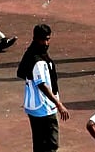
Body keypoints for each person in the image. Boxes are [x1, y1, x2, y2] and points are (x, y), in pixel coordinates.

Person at [17, 24, 70, 152]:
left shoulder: (30, 53)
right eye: (43, 40)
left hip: (33, 107)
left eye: (48, 39)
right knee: (51, 145)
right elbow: (42, 85)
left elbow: (21, 72)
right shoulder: (38, 60)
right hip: (44, 108)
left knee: (39, 144)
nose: (46, 43)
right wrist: (58, 104)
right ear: (36, 39)